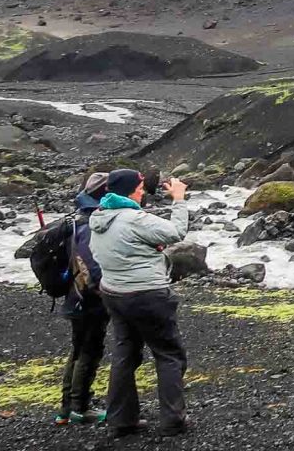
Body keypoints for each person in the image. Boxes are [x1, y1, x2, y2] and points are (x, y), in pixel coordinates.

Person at [90, 168, 192, 438]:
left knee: (125, 354)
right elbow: (176, 232)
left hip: (113, 293)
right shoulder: (135, 219)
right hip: (147, 294)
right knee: (169, 354)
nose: (143, 191)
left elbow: (101, 252)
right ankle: (173, 420)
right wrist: (179, 199)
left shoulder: (99, 217)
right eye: (139, 186)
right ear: (128, 190)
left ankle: (121, 421)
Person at [56, 171, 111, 426]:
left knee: (77, 350)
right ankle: (80, 407)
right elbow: (92, 266)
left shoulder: (77, 219)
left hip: (73, 295)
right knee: (89, 350)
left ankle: (66, 409)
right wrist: (104, 290)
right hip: (88, 299)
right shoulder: (91, 223)